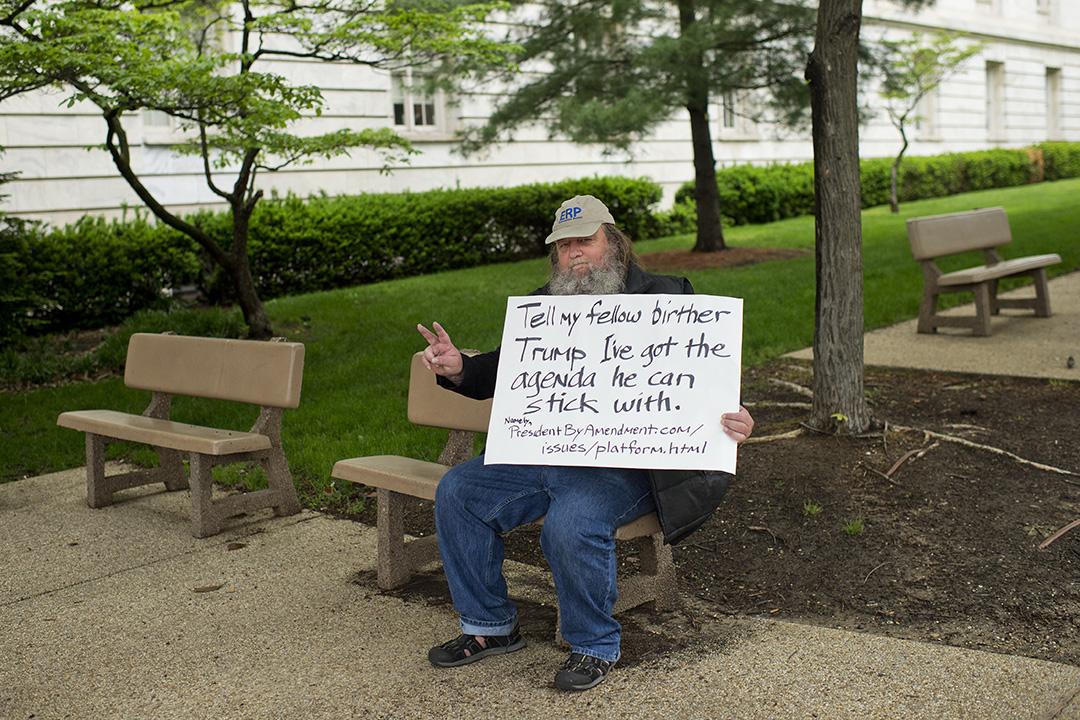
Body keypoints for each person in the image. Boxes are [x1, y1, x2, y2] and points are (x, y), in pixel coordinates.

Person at [416, 194, 754, 691]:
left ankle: (594, 644)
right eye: (564, 245)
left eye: (586, 241)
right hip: (548, 451)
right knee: (461, 490)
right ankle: (488, 627)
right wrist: (460, 367)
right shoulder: (543, 307)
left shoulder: (668, 295)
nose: (574, 254)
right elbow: (504, 370)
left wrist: (740, 417)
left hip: (629, 466)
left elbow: (703, 376)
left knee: (572, 522)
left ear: (612, 243)